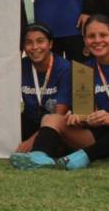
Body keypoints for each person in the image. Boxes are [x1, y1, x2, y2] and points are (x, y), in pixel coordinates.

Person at [10, 14, 109, 171]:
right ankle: (38, 156)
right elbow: (86, 116)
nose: (97, 40)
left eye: (103, 35)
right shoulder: (84, 70)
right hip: (101, 137)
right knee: (52, 118)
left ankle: (87, 156)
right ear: (85, 41)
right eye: (91, 36)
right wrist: (79, 118)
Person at [15, 23, 71, 153]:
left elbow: (59, 114)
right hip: (30, 120)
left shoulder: (64, 68)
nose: (35, 47)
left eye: (40, 41)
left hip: (54, 124)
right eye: (29, 43)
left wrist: (30, 142)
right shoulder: (19, 66)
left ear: (50, 44)